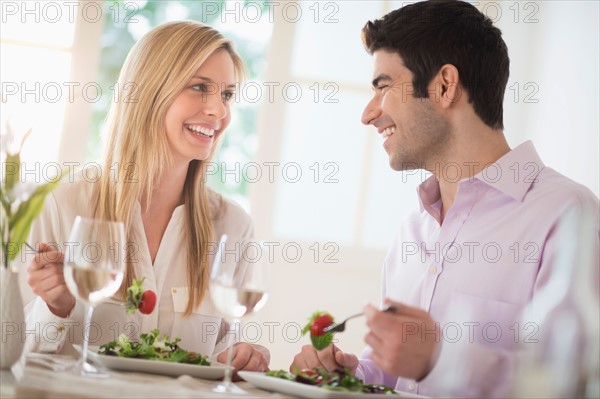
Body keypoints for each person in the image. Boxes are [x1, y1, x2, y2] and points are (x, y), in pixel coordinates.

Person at [290, 1, 599, 397]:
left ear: (444, 85)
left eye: (383, 86)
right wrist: (352, 374)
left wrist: (441, 358)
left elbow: (577, 385)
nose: (368, 115)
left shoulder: (568, 215)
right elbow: (398, 376)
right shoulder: (412, 230)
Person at [22, 21, 269, 373]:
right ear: (150, 92)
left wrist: (244, 355)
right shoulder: (61, 205)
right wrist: (54, 307)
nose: (219, 111)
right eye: (200, 87)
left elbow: (223, 354)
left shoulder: (232, 226)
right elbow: (12, 358)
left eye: (227, 95)